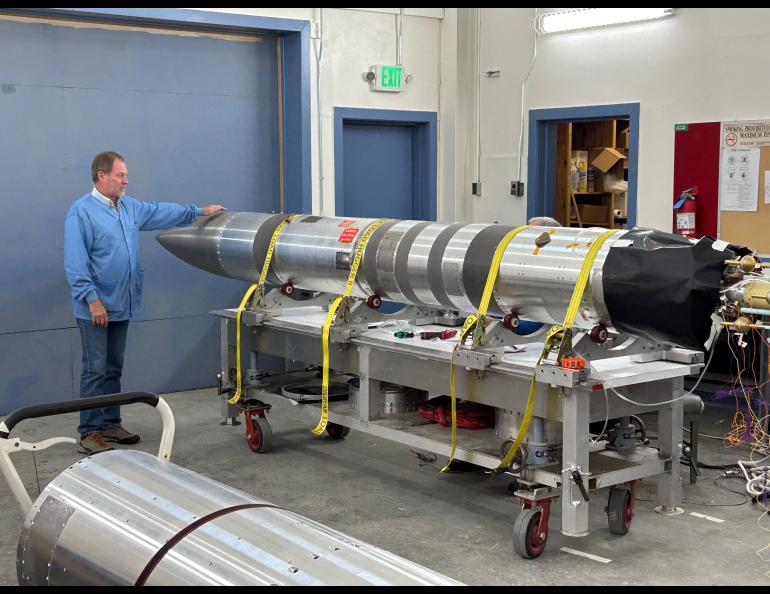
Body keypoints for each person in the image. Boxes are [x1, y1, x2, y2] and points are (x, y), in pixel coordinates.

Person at [64, 151, 226, 454]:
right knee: (94, 369)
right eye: (120, 175)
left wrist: (200, 210)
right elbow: (75, 263)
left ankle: (111, 423)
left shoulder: (128, 207)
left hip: (122, 303)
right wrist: (92, 300)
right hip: (95, 307)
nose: (126, 180)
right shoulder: (81, 212)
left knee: (113, 367)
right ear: (102, 176)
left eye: (125, 175)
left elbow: (161, 211)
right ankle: (89, 432)